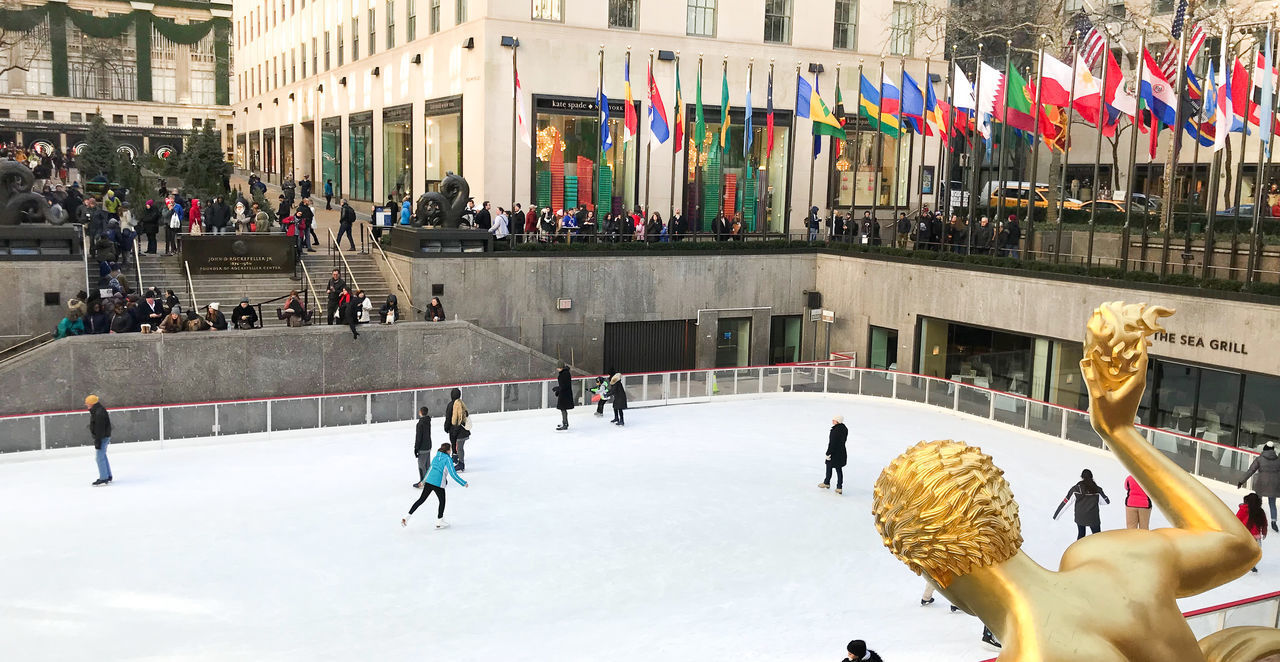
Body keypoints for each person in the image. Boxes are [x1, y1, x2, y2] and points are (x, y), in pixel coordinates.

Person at [401, 442, 469, 529]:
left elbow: (429, 469)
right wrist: (463, 483)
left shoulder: (436, 457)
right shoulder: (448, 459)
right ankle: (439, 521)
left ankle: (406, 517)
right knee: (442, 501)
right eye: (450, 449)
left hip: (429, 481)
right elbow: (453, 474)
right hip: (438, 483)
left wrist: (423, 481)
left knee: (421, 500)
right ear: (448, 450)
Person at [1053, 468, 1110, 538]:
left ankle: (1079, 548)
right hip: (1093, 518)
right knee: (1097, 536)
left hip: (1080, 518)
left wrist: (1056, 516)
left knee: (1081, 534)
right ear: (1092, 477)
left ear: (1082, 477)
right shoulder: (1097, 489)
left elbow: (1066, 502)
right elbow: (1106, 502)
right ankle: (1098, 548)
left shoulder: (1076, 489)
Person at [1239, 441, 1280, 531]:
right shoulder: (1278, 460)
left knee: (1257, 501)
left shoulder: (1260, 459)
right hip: (1274, 484)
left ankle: (1256, 518)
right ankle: (1273, 521)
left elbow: (1251, 471)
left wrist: (1241, 481)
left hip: (1262, 483)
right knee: (1272, 503)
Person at [85, 394, 113, 485]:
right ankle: (107, 475)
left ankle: (104, 477)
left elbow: (99, 428)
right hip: (103, 436)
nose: (86, 405)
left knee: (99, 458)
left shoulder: (98, 413)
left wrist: (98, 440)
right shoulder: (97, 410)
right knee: (102, 456)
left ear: (92, 403)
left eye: (88, 403)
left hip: (102, 437)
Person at [1237, 492, 1268, 572]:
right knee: (1254, 550)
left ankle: (1244, 563)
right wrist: (1264, 532)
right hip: (1256, 535)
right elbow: (1264, 522)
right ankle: (1252, 564)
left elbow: (1237, 520)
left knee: (1244, 549)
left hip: (1245, 534)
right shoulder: (1260, 511)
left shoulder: (1244, 509)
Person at [443, 387, 471, 471]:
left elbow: (448, 418)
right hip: (461, 430)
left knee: (458, 447)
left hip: (457, 430)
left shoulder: (452, 405)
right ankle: (455, 457)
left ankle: (461, 463)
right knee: (456, 445)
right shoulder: (461, 403)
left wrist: (446, 427)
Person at [819, 415, 848, 494]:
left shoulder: (835, 431)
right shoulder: (844, 429)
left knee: (829, 467)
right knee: (839, 469)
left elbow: (832, 443)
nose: (832, 421)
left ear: (837, 421)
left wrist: (828, 453)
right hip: (841, 452)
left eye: (834, 420)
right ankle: (839, 487)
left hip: (834, 453)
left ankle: (826, 483)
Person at [412, 406, 433, 488]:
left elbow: (418, 437)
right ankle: (429, 481)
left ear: (420, 412)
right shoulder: (428, 421)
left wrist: (416, 448)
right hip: (428, 446)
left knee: (421, 466)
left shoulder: (420, 423)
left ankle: (423, 482)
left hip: (422, 448)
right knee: (427, 465)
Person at [554, 361, 574, 431]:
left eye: (558, 367)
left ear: (561, 367)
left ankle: (565, 424)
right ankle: (564, 423)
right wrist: (558, 391)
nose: (557, 369)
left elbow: (565, 385)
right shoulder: (563, 373)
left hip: (565, 395)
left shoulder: (565, 374)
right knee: (563, 409)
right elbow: (563, 385)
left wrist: (557, 389)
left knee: (563, 409)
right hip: (564, 393)